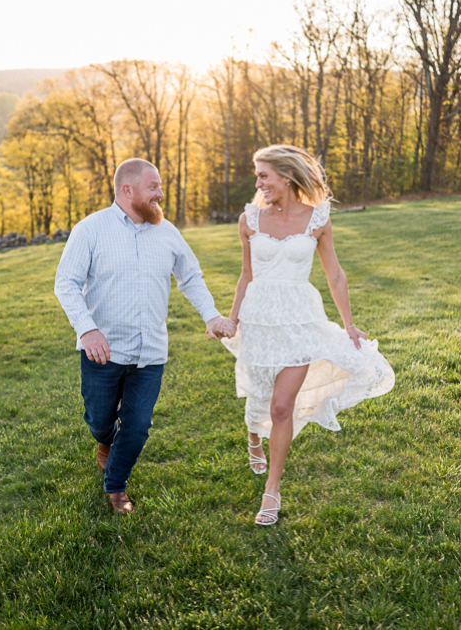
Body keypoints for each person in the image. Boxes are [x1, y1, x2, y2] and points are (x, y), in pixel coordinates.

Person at [220, 144, 394, 526]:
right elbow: (246, 275)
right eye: (258, 176)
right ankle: (253, 435)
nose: (259, 182)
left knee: (282, 406)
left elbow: (334, 274)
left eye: (264, 175)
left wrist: (349, 324)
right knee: (260, 392)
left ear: (286, 175)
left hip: (300, 320)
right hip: (259, 317)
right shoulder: (249, 219)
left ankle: (272, 488)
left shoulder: (318, 219)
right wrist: (233, 318)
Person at [54, 158, 235, 515]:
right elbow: (66, 283)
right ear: (128, 190)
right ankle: (105, 442)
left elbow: (191, 277)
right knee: (100, 420)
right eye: (153, 187)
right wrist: (87, 329)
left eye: (160, 186)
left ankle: (116, 488)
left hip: (150, 352)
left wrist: (211, 315)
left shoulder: (168, 232)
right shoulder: (90, 229)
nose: (160, 194)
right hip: (102, 352)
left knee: (137, 426)